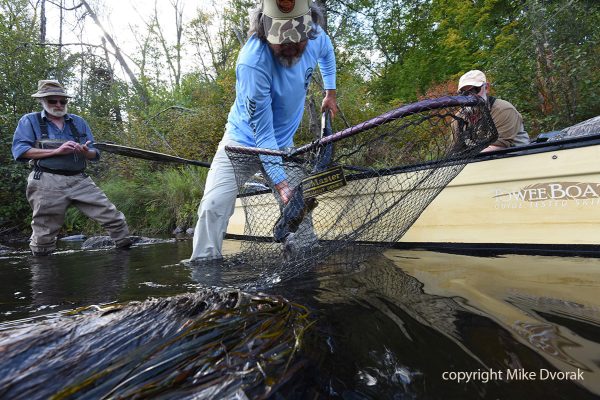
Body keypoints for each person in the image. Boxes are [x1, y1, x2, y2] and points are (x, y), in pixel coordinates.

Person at [190, 0, 338, 261]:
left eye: (298, 39)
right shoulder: (252, 62)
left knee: (299, 210)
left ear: (310, 28)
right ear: (264, 31)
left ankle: (305, 269)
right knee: (213, 207)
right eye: (282, 40)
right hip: (242, 142)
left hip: (284, 146)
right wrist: (280, 183)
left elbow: (327, 54)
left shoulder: (317, 35)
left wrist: (330, 92)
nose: (291, 47)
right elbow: (263, 136)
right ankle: (204, 272)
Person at [11, 79, 131, 256]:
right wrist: (57, 151)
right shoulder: (29, 121)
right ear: (42, 101)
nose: (59, 104)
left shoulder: (78, 122)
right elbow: (20, 151)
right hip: (46, 181)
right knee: (44, 234)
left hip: (79, 179)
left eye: (63, 101)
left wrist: (85, 152)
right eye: (53, 100)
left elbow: (95, 153)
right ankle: (43, 277)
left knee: (114, 219)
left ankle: (126, 261)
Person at [457, 70, 530, 152]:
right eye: (464, 93)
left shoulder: (503, 110)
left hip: (518, 158)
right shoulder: (458, 118)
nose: (470, 96)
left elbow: (498, 146)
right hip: (479, 161)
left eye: (474, 90)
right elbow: (456, 149)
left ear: (486, 87)